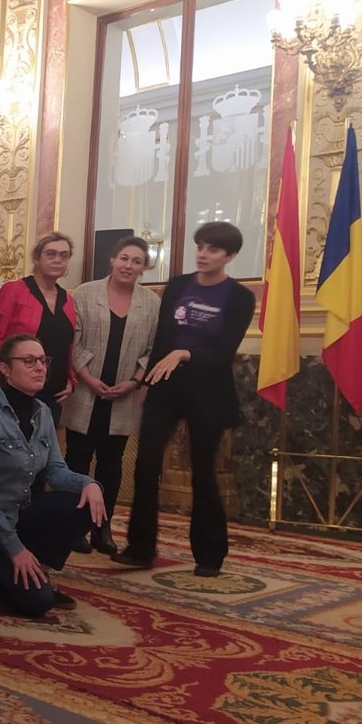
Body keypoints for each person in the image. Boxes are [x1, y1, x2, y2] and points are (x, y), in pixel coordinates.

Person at [113, 222, 255, 577]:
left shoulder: (240, 297)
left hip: (209, 392)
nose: (203, 254)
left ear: (230, 256)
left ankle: (209, 556)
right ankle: (140, 548)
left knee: (202, 472)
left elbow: (224, 353)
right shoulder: (177, 286)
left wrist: (183, 354)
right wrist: (147, 381)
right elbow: (163, 337)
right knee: (146, 465)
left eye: (212, 250)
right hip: (166, 387)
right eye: (200, 246)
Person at [0, 334, 106, 615]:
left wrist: (89, 483)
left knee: (89, 501)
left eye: (42, 360)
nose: (40, 367)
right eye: (29, 361)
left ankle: (38, 568)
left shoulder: (42, 412)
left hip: (20, 516)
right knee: (38, 602)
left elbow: (55, 470)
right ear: (5, 369)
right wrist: (14, 549)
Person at [63, 237, 159, 555]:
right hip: (86, 392)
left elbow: (154, 349)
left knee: (111, 464)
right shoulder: (85, 293)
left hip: (123, 396)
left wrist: (134, 381)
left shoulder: (151, 303)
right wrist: (89, 379)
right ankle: (73, 528)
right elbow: (72, 340)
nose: (128, 265)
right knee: (77, 460)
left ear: (143, 268)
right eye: (124, 258)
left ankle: (101, 529)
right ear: (112, 260)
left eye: (136, 261)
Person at [0, 232, 77, 426]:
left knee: (44, 443)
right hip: (16, 388)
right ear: (37, 258)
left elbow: (68, 344)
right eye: (51, 254)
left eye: (64, 255)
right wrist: (0, 378)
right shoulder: (14, 290)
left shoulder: (68, 300)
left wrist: (71, 378)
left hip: (55, 392)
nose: (58, 260)